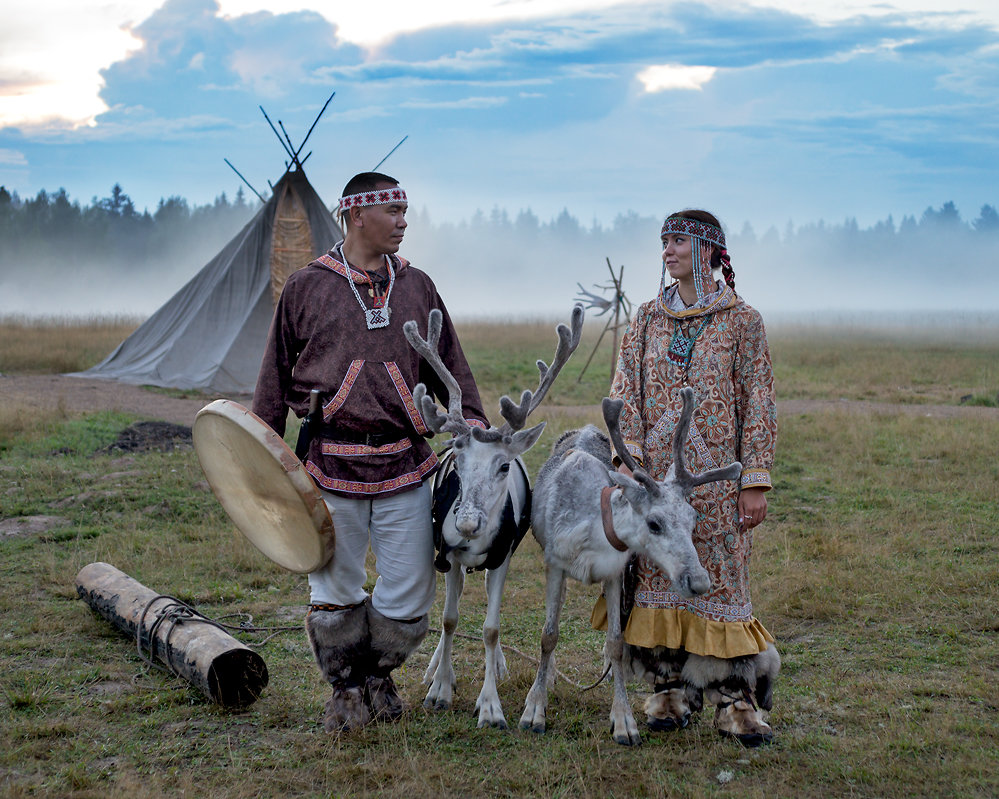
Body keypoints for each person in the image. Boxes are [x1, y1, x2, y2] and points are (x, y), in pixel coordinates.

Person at [252, 172, 488, 732]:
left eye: (407, 211)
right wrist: (260, 450)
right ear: (358, 214)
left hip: (406, 461)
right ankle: (347, 690)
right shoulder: (306, 287)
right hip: (331, 462)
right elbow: (274, 374)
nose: (404, 222)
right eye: (394, 211)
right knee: (334, 585)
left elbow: (449, 363)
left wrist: (472, 423)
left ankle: (378, 674)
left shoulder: (417, 286)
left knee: (409, 590)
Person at [591, 209, 780, 747]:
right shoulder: (647, 318)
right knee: (657, 578)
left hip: (718, 483)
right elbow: (624, 388)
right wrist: (626, 464)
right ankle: (667, 689)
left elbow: (759, 401)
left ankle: (733, 701)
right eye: (664, 242)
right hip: (655, 484)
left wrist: (755, 480)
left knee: (720, 581)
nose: (667, 250)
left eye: (677, 241)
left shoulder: (743, 320)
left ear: (709, 251)